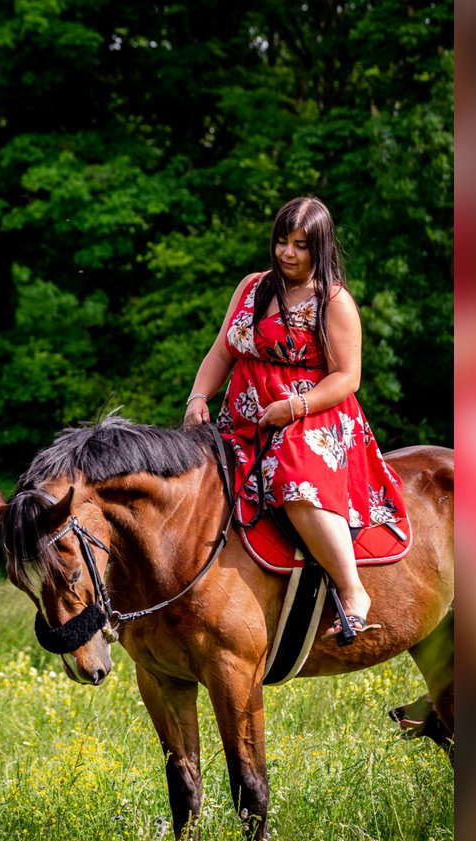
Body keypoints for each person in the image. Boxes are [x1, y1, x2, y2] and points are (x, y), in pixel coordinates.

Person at [183, 196, 407, 640]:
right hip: (244, 411)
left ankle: (351, 588)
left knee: (296, 480)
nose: (287, 253)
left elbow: (348, 376)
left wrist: (293, 407)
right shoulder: (252, 286)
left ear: (319, 247)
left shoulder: (334, 301)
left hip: (313, 412)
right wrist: (197, 397)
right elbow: (223, 349)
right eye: (282, 242)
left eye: (300, 245)